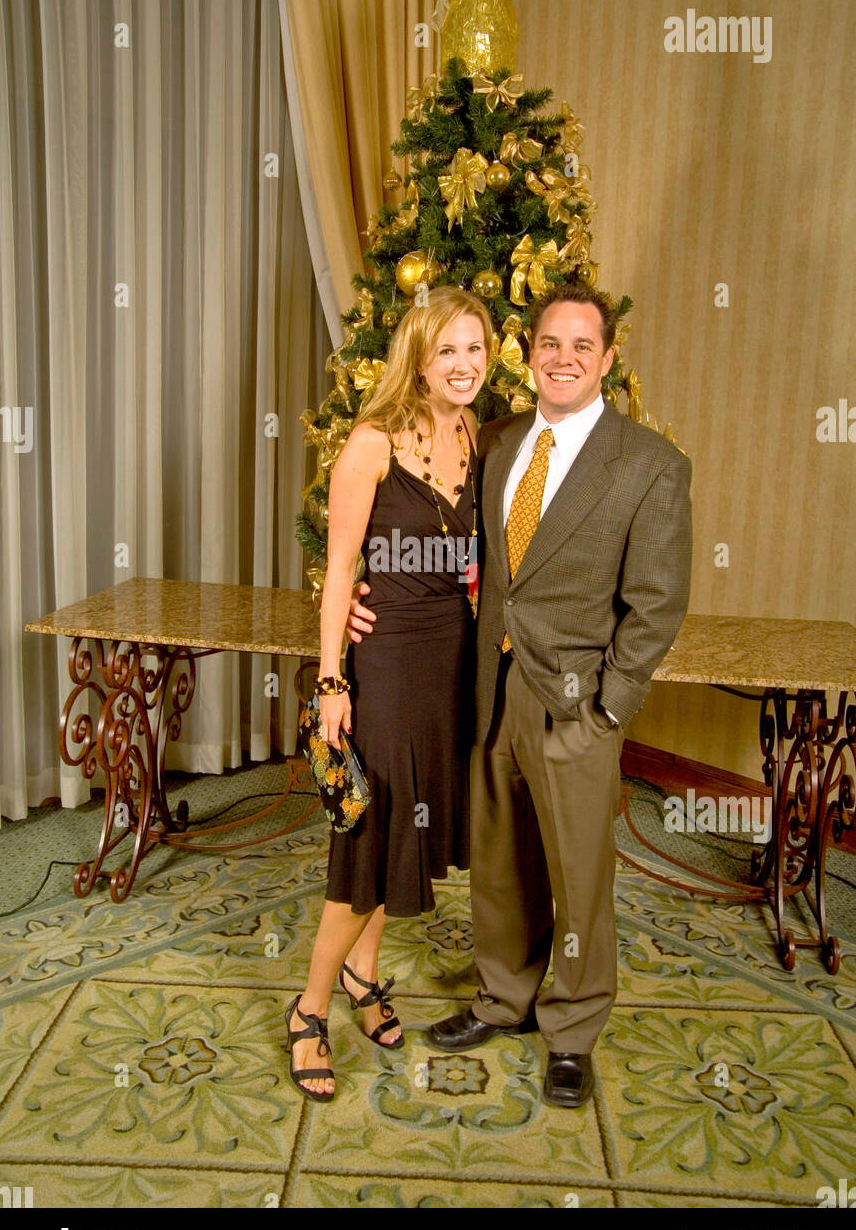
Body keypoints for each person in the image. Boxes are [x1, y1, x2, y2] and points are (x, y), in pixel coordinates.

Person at [348, 282, 692, 1107]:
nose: (564, 358)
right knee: (498, 860)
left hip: (577, 700)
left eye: (583, 346)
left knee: (578, 874)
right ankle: (504, 995)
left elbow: (658, 603)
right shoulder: (491, 439)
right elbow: (418, 526)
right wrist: (365, 585)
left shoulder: (649, 464)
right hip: (489, 686)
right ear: (528, 353)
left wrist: (611, 704)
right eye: (549, 343)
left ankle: (571, 1027)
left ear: (607, 359)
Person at [285, 286, 494, 1101]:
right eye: (448, 350)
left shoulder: (479, 436)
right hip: (386, 664)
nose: (464, 364)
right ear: (420, 355)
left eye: (475, 349)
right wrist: (332, 679)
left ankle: (364, 976)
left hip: (451, 660)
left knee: (412, 820)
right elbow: (339, 573)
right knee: (367, 837)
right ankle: (309, 1008)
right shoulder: (372, 443)